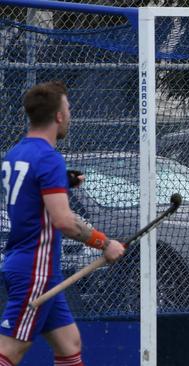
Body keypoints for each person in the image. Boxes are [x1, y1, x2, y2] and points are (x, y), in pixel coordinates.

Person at [0, 81, 125, 366]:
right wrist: (105, 244)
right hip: (35, 270)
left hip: (29, 266)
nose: (70, 114)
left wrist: (63, 181)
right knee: (9, 350)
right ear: (58, 116)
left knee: (69, 343)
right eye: (68, 108)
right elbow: (64, 222)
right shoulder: (49, 159)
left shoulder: (16, 153)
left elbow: (32, 193)